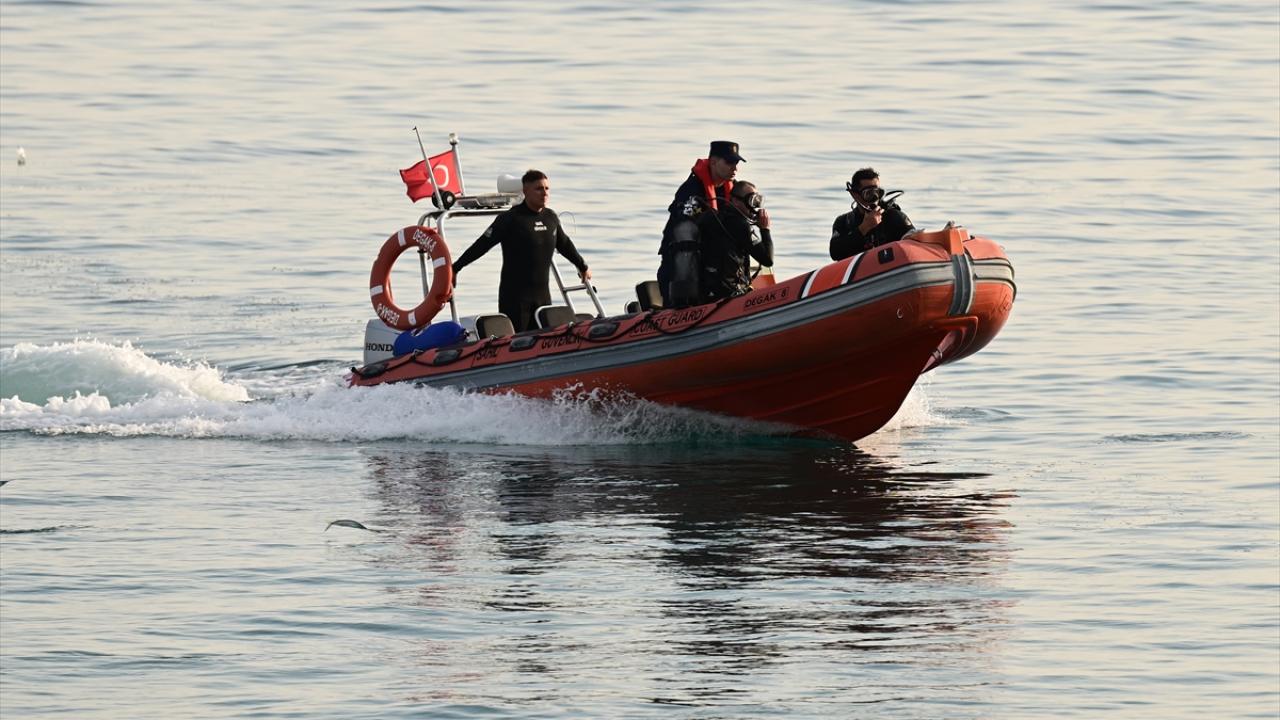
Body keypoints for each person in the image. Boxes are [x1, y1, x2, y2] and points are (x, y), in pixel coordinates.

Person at [452, 169, 591, 332]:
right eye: (538, 189)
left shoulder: (551, 218)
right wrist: (456, 268)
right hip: (516, 300)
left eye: (547, 188)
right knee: (519, 343)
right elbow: (481, 245)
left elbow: (565, 245)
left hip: (543, 297)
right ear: (525, 191)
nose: (544, 193)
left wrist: (582, 266)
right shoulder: (510, 219)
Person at [657, 140, 744, 307]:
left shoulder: (732, 190)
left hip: (711, 264)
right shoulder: (691, 190)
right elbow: (684, 228)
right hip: (680, 261)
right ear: (713, 162)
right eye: (729, 162)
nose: (735, 168)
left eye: (736, 163)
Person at [698, 181, 774, 302]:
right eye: (751, 201)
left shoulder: (716, 219)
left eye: (757, 201)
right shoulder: (740, 225)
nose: (755, 207)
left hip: (708, 292)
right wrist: (765, 229)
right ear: (736, 201)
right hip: (729, 293)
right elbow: (767, 260)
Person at [829, 167, 915, 261]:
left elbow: (915, 243)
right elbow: (835, 253)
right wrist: (864, 228)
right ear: (855, 195)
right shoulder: (844, 222)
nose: (875, 199)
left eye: (877, 192)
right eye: (869, 193)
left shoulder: (893, 217)